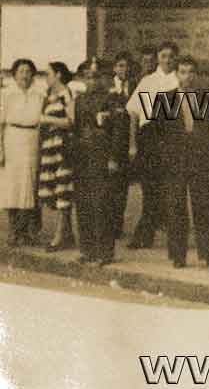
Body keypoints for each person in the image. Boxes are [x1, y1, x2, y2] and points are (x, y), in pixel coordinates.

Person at [160, 56, 209, 268]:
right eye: (182, 72)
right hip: (176, 160)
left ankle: (208, 252)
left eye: (191, 71)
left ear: (196, 74)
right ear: (176, 74)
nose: (187, 76)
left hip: (200, 158)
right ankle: (178, 255)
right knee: (176, 207)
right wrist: (167, 157)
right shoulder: (165, 99)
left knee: (205, 206)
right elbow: (160, 132)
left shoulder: (206, 98)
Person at [126, 41, 180, 249]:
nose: (167, 60)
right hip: (149, 137)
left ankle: (173, 238)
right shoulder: (147, 81)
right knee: (150, 188)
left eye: (171, 56)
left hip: (172, 136)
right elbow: (133, 113)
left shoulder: (179, 80)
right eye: (164, 56)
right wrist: (132, 144)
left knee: (170, 188)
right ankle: (144, 235)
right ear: (158, 58)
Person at [74, 59, 127, 265]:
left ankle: (104, 252)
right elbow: (78, 129)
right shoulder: (80, 100)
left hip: (102, 156)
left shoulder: (113, 99)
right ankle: (87, 249)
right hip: (83, 157)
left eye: (96, 77)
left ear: (104, 78)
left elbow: (119, 132)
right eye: (87, 77)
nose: (91, 81)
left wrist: (114, 158)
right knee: (84, 203)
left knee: (102, 204)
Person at [1, 59, 45, 246]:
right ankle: (14, 231)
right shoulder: (6, 94)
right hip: (12, 139)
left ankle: (28, 231)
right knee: (13, 186)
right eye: (21, 71)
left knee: (31, 186)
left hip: (32, 140)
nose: (25, 75)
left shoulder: (39, 94)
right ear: (14, 74)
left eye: (28, 71)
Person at [38, 61, 77, 252]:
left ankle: (60, 236)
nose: (46, 77)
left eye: (48, 73)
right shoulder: (49, 96)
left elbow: (71, 121)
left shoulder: (65, 93)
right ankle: (67, 235)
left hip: (62, 145)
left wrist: (47, 119)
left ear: (59, 75)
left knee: (63, 189)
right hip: (50, 146)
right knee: (54, 189)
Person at [106, 52, 133, 241]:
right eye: (121, 66)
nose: (124, 70)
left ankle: (118, 225)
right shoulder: (108, 89)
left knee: (122, 186)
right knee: (110, 185)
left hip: (127, 142)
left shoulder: (134, 86)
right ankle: (109, 224)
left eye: (127, 66)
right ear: (115, 68)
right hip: (110, 142)